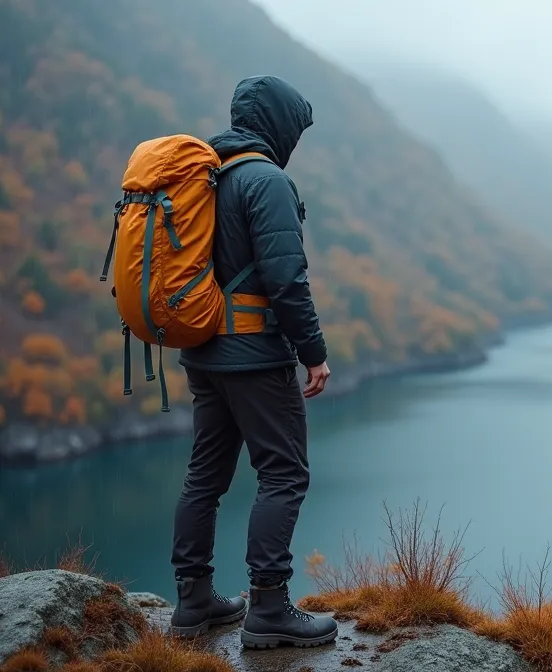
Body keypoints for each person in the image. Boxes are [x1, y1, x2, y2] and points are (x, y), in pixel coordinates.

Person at [167, 75, 337, 649]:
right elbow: (286, 278)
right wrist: (312, 353)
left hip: (203, 351)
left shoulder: (205, 179)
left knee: (205, 476)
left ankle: (193, 600)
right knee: (283, 473)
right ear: (279, 125)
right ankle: (268, 608)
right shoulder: (265, 181)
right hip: (255, 355)